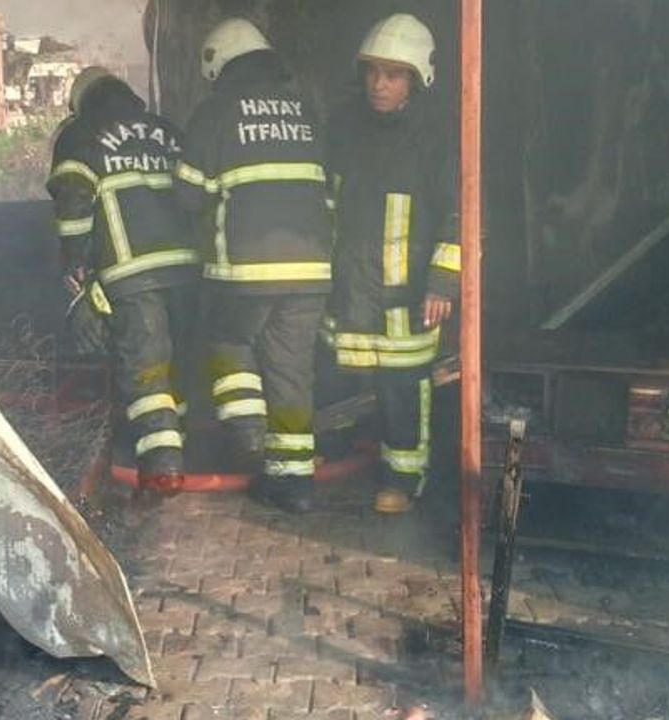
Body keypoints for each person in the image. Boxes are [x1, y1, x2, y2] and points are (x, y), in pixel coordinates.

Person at [174, 19, 333, 512]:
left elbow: (188, 195)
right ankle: (295, 482)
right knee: (291, 371)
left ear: (220, 65)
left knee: (227, 343)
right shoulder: (305, 109)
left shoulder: (216, 112)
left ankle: (248, 441)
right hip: (311, 273)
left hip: (244, 272)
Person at [318, 13, 460, 514]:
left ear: (417, 79)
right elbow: (326, 203)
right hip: (349, 288)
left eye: (394, 74)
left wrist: (442, 283)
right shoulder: (344, 128)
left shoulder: (437, 137)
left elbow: (459, 214)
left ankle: (403, 477)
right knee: (333, 375)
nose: (379, 84)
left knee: (403, 388)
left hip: (406, 296)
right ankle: (331, 452)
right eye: (373, 72)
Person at [47, 67, 201, 493]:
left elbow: (73, 201)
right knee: (177, 366)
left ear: (80, 102)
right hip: (188, 269)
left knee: (146, 368)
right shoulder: (165, 130)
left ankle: (162, 467)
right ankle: (180, 446)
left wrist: (74, 263)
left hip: (132, 272)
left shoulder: (80, 135)